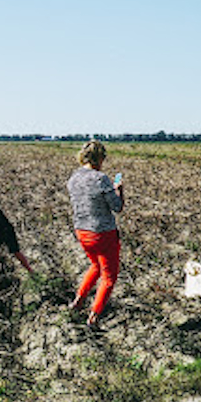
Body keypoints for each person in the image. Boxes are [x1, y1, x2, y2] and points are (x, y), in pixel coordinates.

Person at [67, 140, 124, 328]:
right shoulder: (100, 179)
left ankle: (78, 300)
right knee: (109, 277)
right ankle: (94, 316)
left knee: (95, 266)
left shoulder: (73, 179)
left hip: (82, 232)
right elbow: (117, 207)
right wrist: (119, 191)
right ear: (99, 157)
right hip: (103, 233)